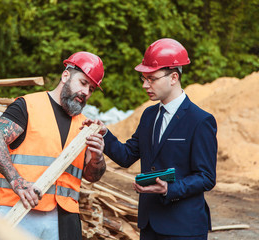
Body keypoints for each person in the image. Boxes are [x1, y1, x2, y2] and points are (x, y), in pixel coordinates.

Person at [84, 38, 217, 239]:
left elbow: (206, 177)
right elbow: (127, 156)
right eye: (144, 78)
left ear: (173, 77)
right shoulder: (149, 115)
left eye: (152, 78)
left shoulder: (200, 120)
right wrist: (105, 134)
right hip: (149, 226)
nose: (146, 85)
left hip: (184, 228)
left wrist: (169, 189)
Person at [0, 51, 107, 240]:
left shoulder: (85, 127)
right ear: (66, 75)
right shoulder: (28, 106)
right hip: (19, 211)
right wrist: (17, 183)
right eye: (83, 83)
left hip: (64, 220)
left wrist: (98, 156)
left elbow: (92, 176)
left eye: (91, 89)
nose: (85, 92)